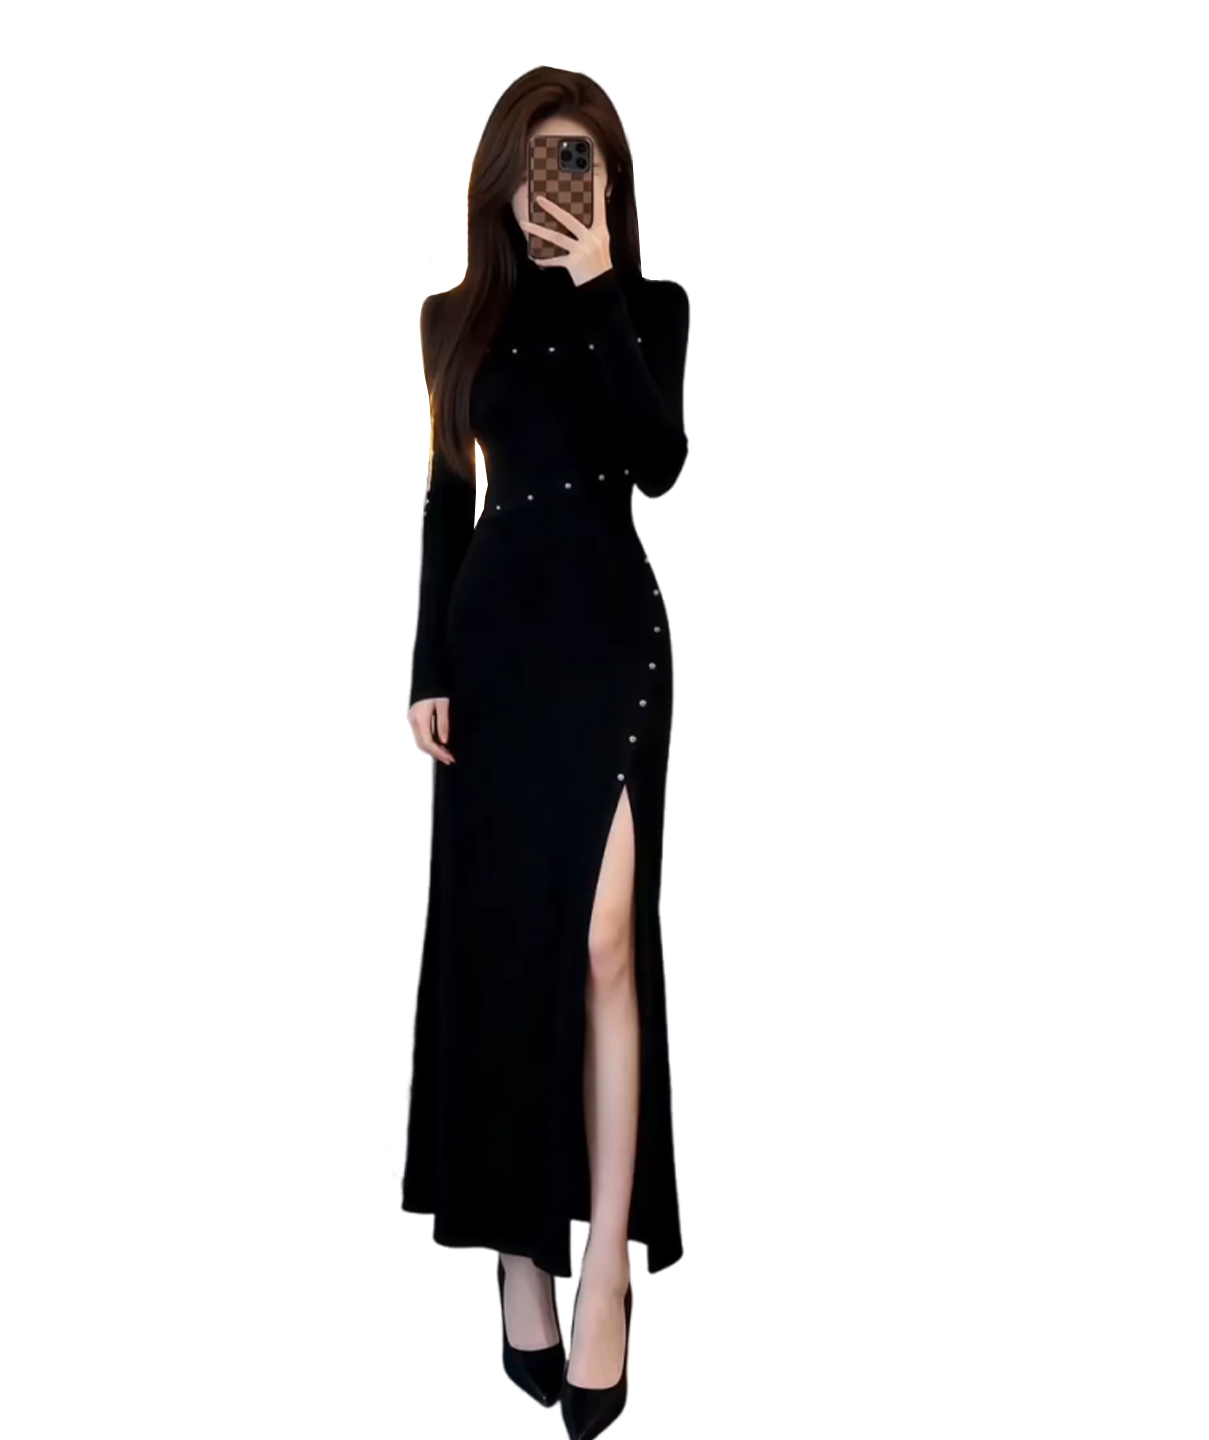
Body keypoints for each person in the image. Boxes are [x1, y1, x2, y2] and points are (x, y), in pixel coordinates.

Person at [401, 66, 690, 1438]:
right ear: (502, 179)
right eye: (538, 162)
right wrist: (427, 665)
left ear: (610, 183)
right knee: (505, 949)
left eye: (580, 162)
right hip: (496, 647)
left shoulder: (651, 308)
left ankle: (607, 1270)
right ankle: (521, 1254)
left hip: (610, 638)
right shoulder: (452, 319)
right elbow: (444, 495)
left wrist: (601, 283)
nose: (554, 184)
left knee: (605, 942)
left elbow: (659, 460)